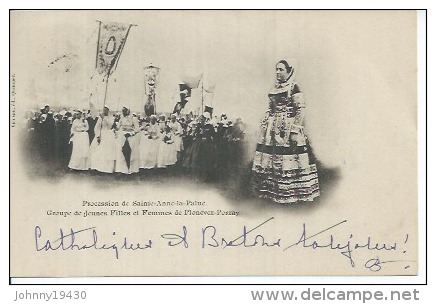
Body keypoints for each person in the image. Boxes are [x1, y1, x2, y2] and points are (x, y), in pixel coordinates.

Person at [251, 59, 320, 203]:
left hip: (287, 128)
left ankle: (292, 193)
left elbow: (300, 110)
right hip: (272, 128)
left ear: (288, 71)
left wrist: (294, 130)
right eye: (276, 69)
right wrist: (265, 124)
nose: (278, 72)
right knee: (271, 158)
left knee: (289, 159)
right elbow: (271, 109)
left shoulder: (293, 87)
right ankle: (274, 191)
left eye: (281, 69)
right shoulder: (274, 88)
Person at [89, 106, 116, 173]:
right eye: (103, 110)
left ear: (108, 110)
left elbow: (110, 125)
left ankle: (107, 169)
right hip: (101, 134)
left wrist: (104, 118)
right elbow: (96, 127)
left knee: (108, 152)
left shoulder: (111, 118)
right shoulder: (100, 118)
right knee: (98, 151)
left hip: (109, 135)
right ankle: (97, 167)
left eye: (105, 110)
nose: (104, 112)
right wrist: (98, 136)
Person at [114, 106, 140, 174]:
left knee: (132, 153)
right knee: (121, 153)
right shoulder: (121, 118)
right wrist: (114, 127)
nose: (123, 112)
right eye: (122, 111)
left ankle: (131, 169)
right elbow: (118, 127)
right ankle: (122, 170)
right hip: (122, 137)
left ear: (128, 111)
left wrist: (131, 133)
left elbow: (137, 129)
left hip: (131, 137)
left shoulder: (134, 118)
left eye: (124, 111)